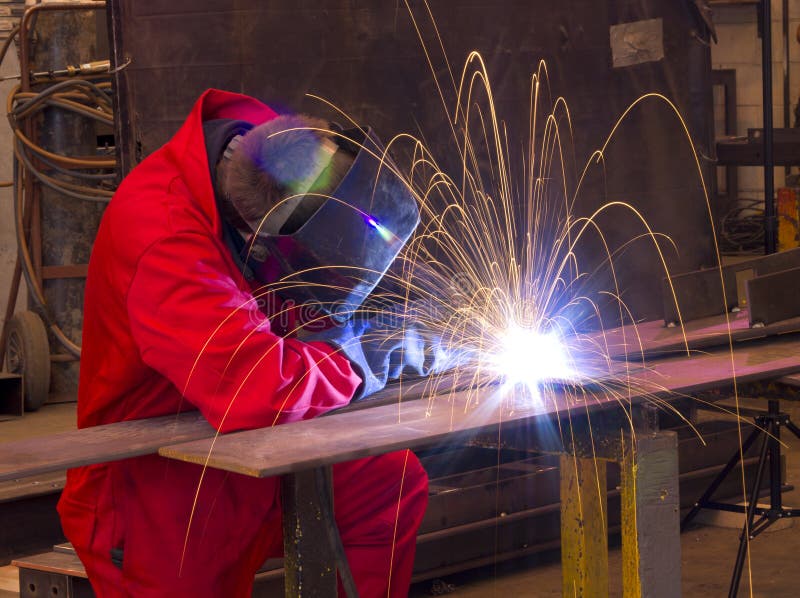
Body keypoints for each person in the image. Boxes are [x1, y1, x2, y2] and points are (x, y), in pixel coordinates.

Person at [57, 88, 429, 597]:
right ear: (256, 238)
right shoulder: (163, 240)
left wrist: (404, 306)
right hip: (165, 482)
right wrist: (361, 358)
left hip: (264, 449)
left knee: (385, 482)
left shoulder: (273, 145)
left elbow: (334, 253)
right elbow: (258, 389)